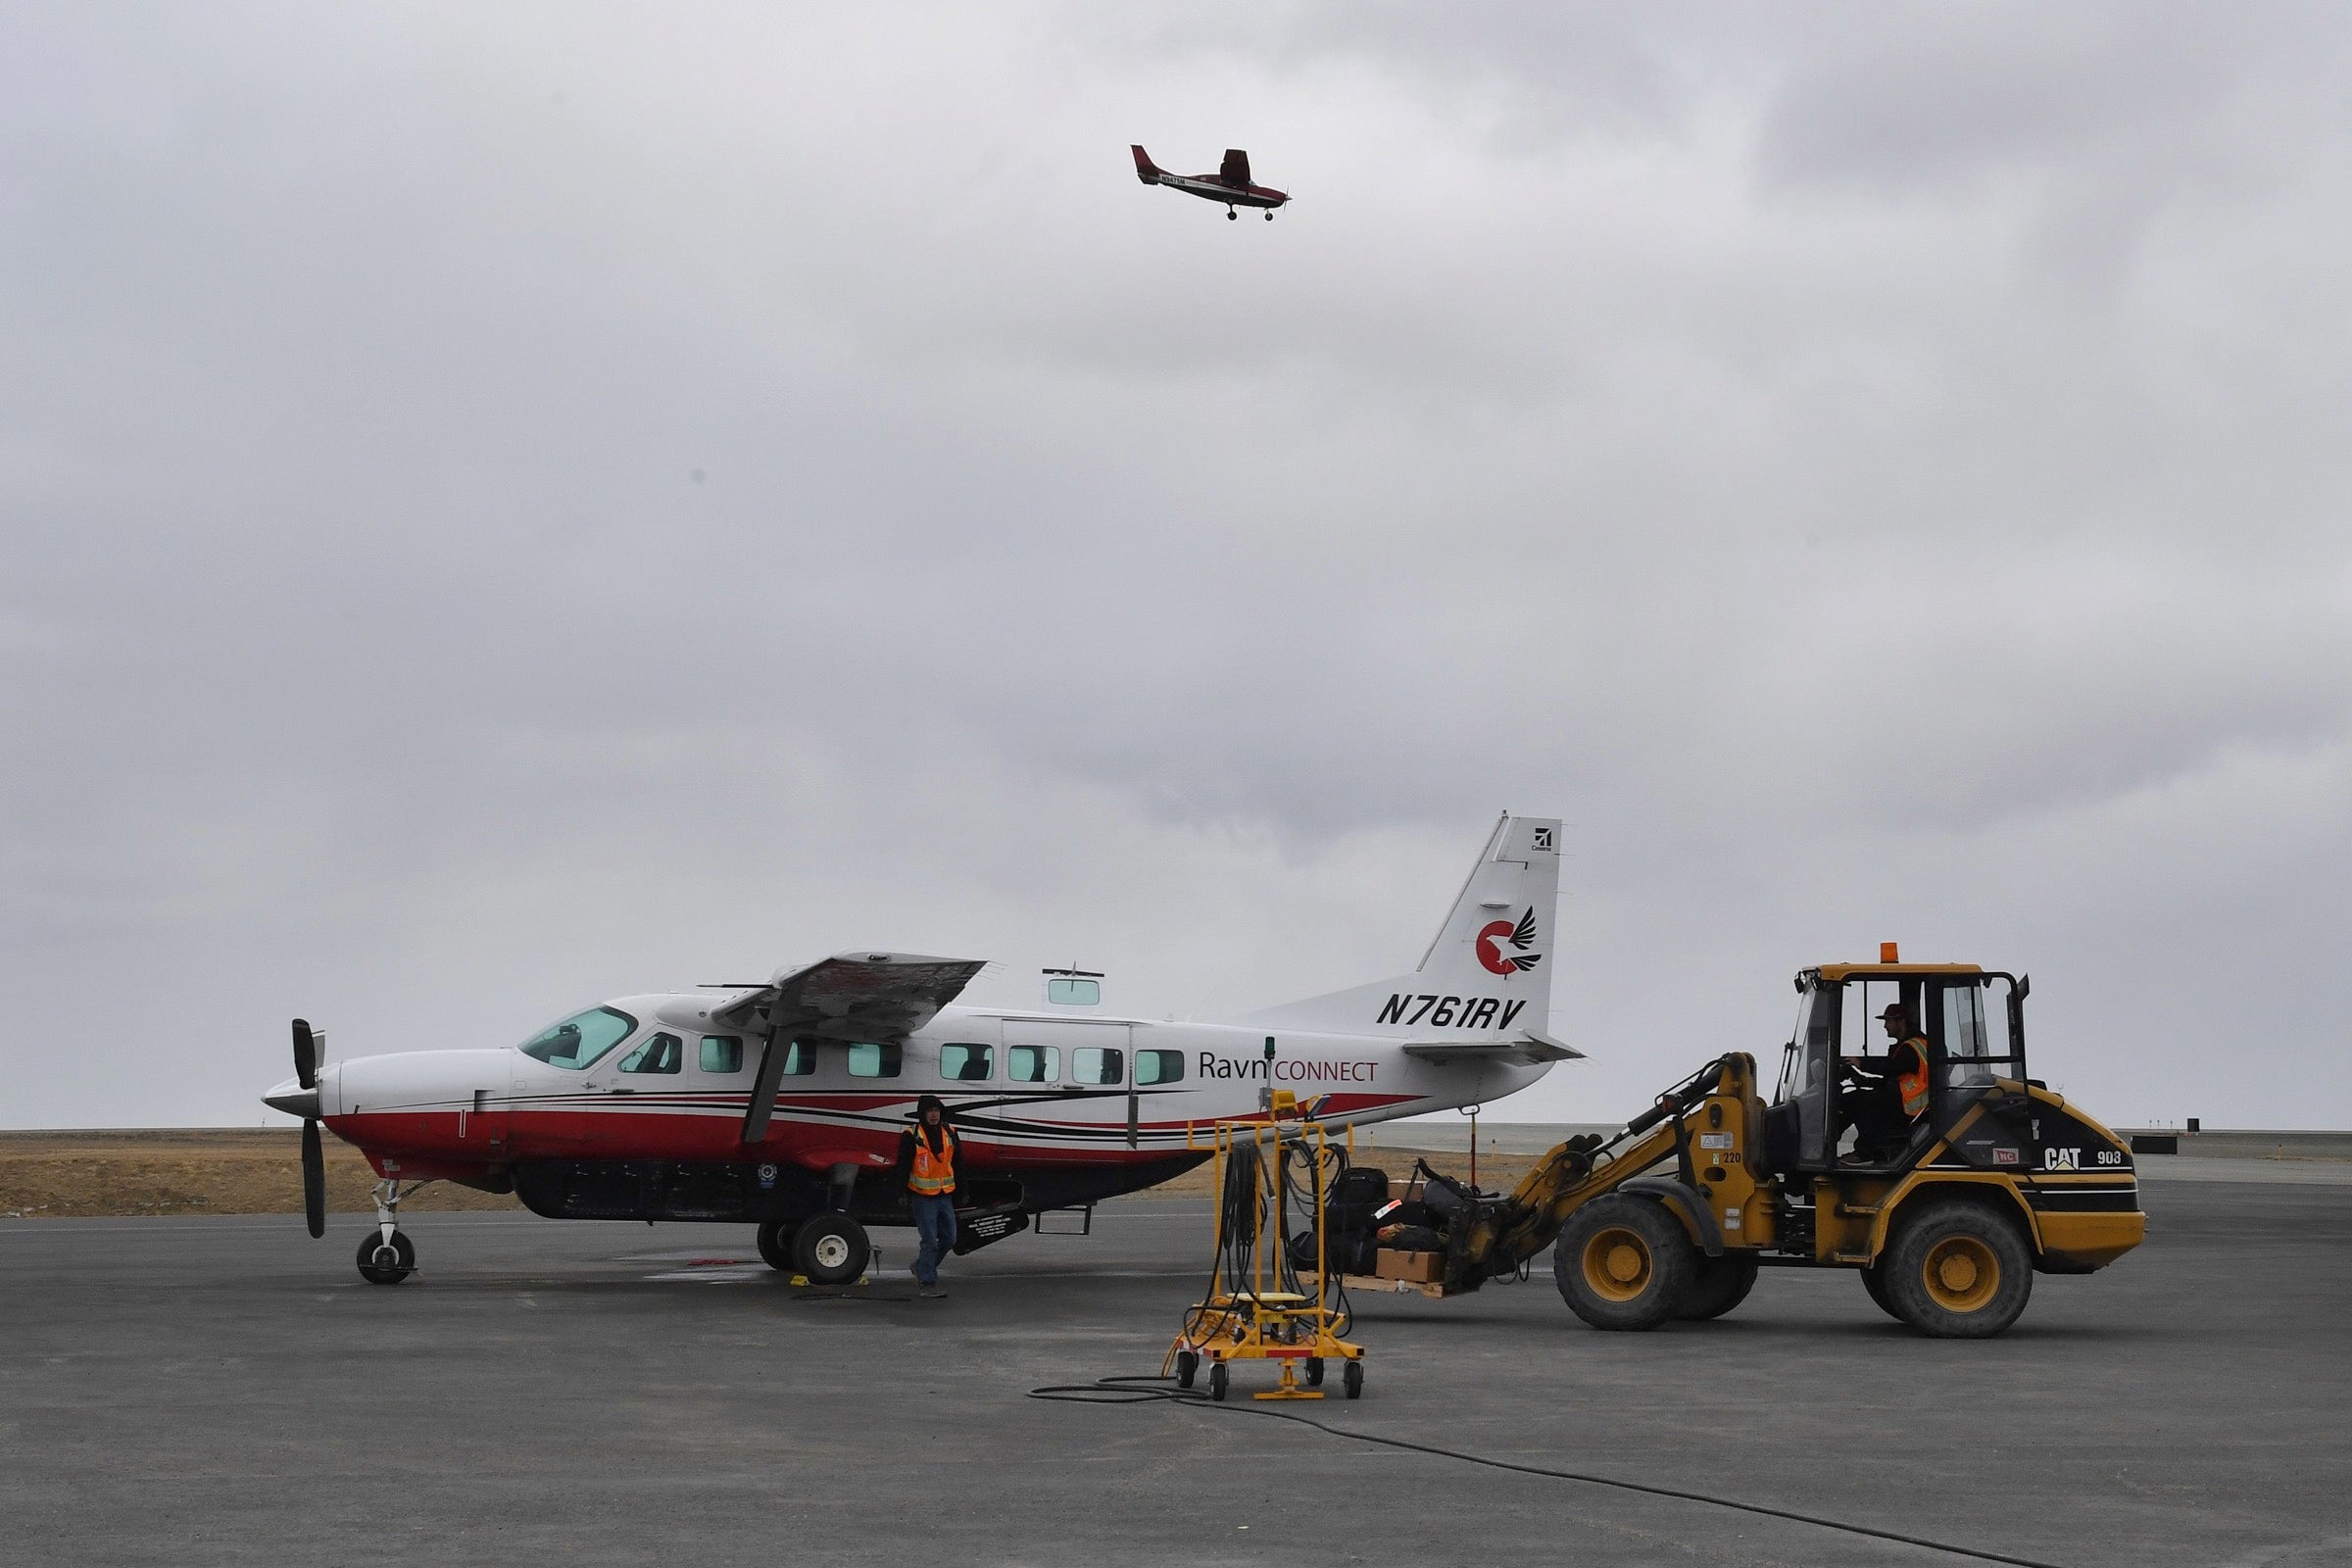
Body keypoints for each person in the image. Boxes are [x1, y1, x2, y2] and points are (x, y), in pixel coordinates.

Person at [1842, 1003, 1936, 1162]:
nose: (1885, 1026)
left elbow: (1890, 1068)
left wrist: (1861, 1063)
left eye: (1888, 1021)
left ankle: (1865, 1153)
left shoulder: (1912, 1047)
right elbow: (1894, 1081)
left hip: (1916, 1107)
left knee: (1861, 1102)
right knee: (1853, 1098)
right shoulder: (1906, 1046)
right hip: (1908, 1101)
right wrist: (1864, 1080)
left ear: (1901, 1022)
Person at [897, 1094, 959, 1298]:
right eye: (930, 1111)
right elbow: (903, 1166)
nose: (933, 1115)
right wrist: (901, 1192)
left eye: (936, 1111)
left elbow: (959, 1163)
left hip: (944, 1195)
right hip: (922, 1196)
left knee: (950, 1238)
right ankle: (927, 1282)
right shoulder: (911, 1135)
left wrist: (964, 1190)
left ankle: (922, 1266)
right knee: (930, 1240)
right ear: (922, 1114)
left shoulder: (950, 1132)